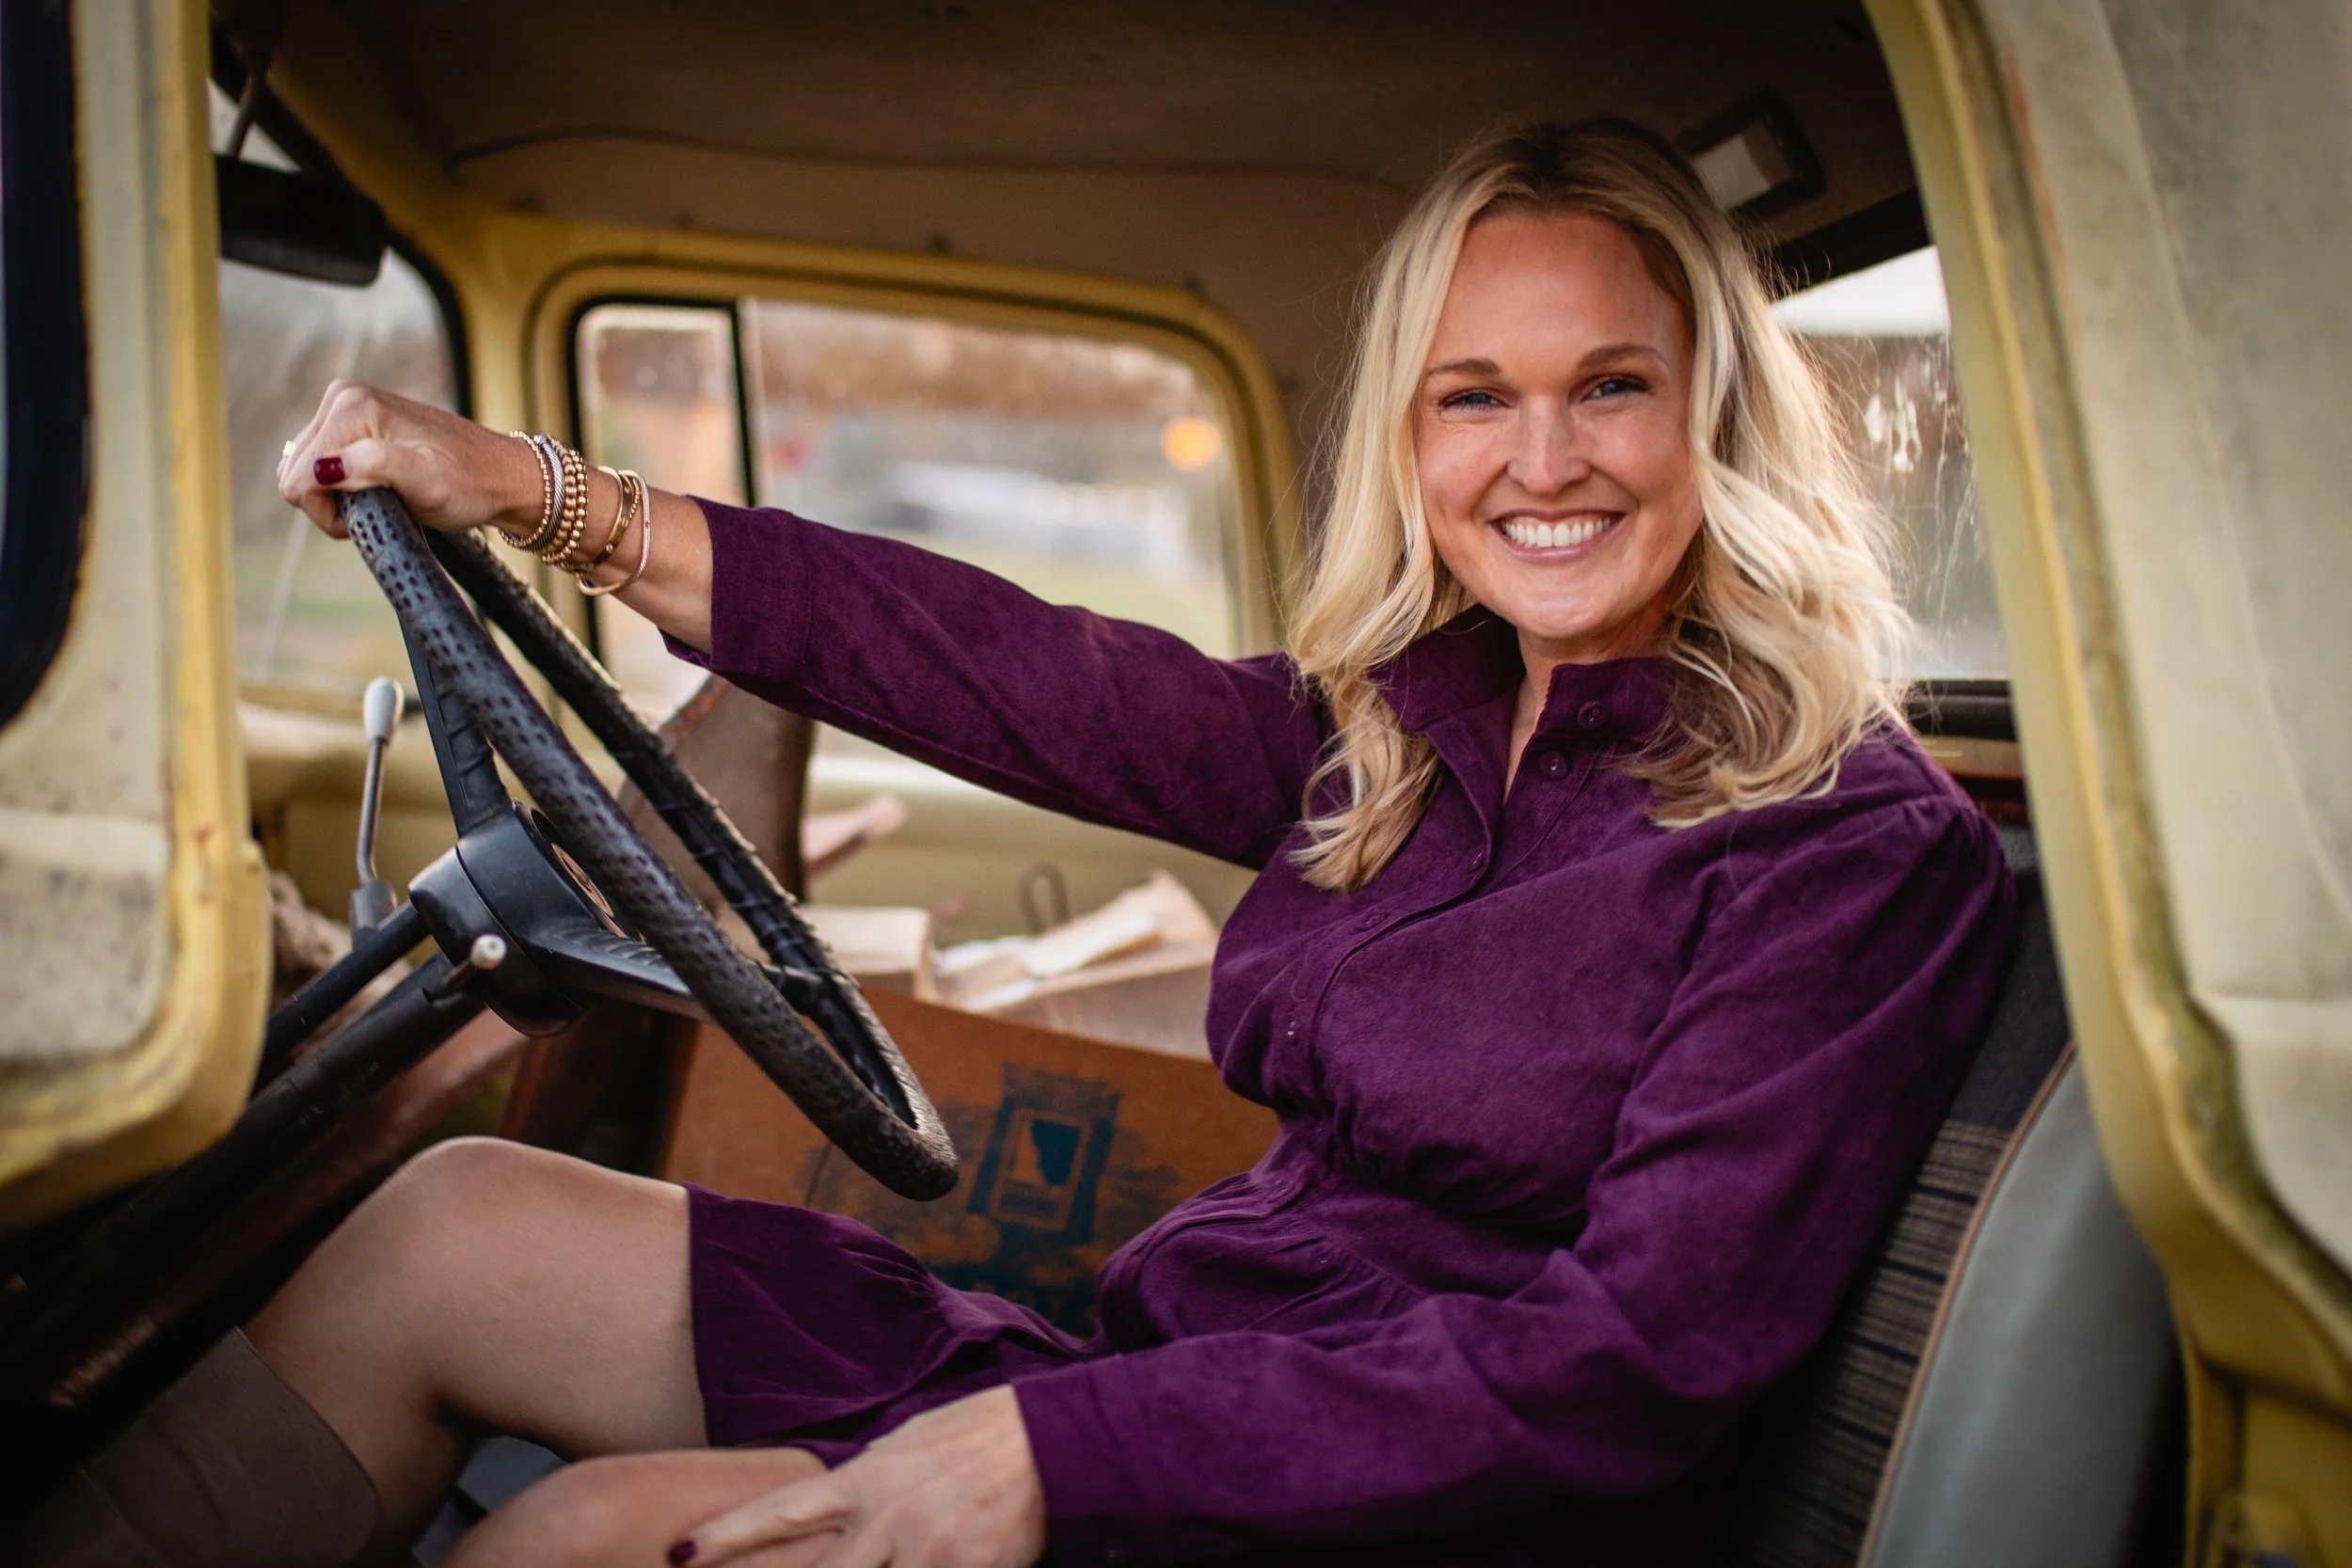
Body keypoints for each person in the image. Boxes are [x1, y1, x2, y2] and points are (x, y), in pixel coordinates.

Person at [8, 120, 2014, 1568]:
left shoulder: (1836, 842)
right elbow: (1012, 665)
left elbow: (1624, 1366)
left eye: (1610, 389)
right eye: (1469, 395)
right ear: (1411, 445)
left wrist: (1064, 1448)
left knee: (604, 1535)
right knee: (446, 1225)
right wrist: (528, 488)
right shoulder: (1401, 728)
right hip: (1162, 1366)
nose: (1540, 458)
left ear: (1719, 418)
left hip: (1368, 1501)